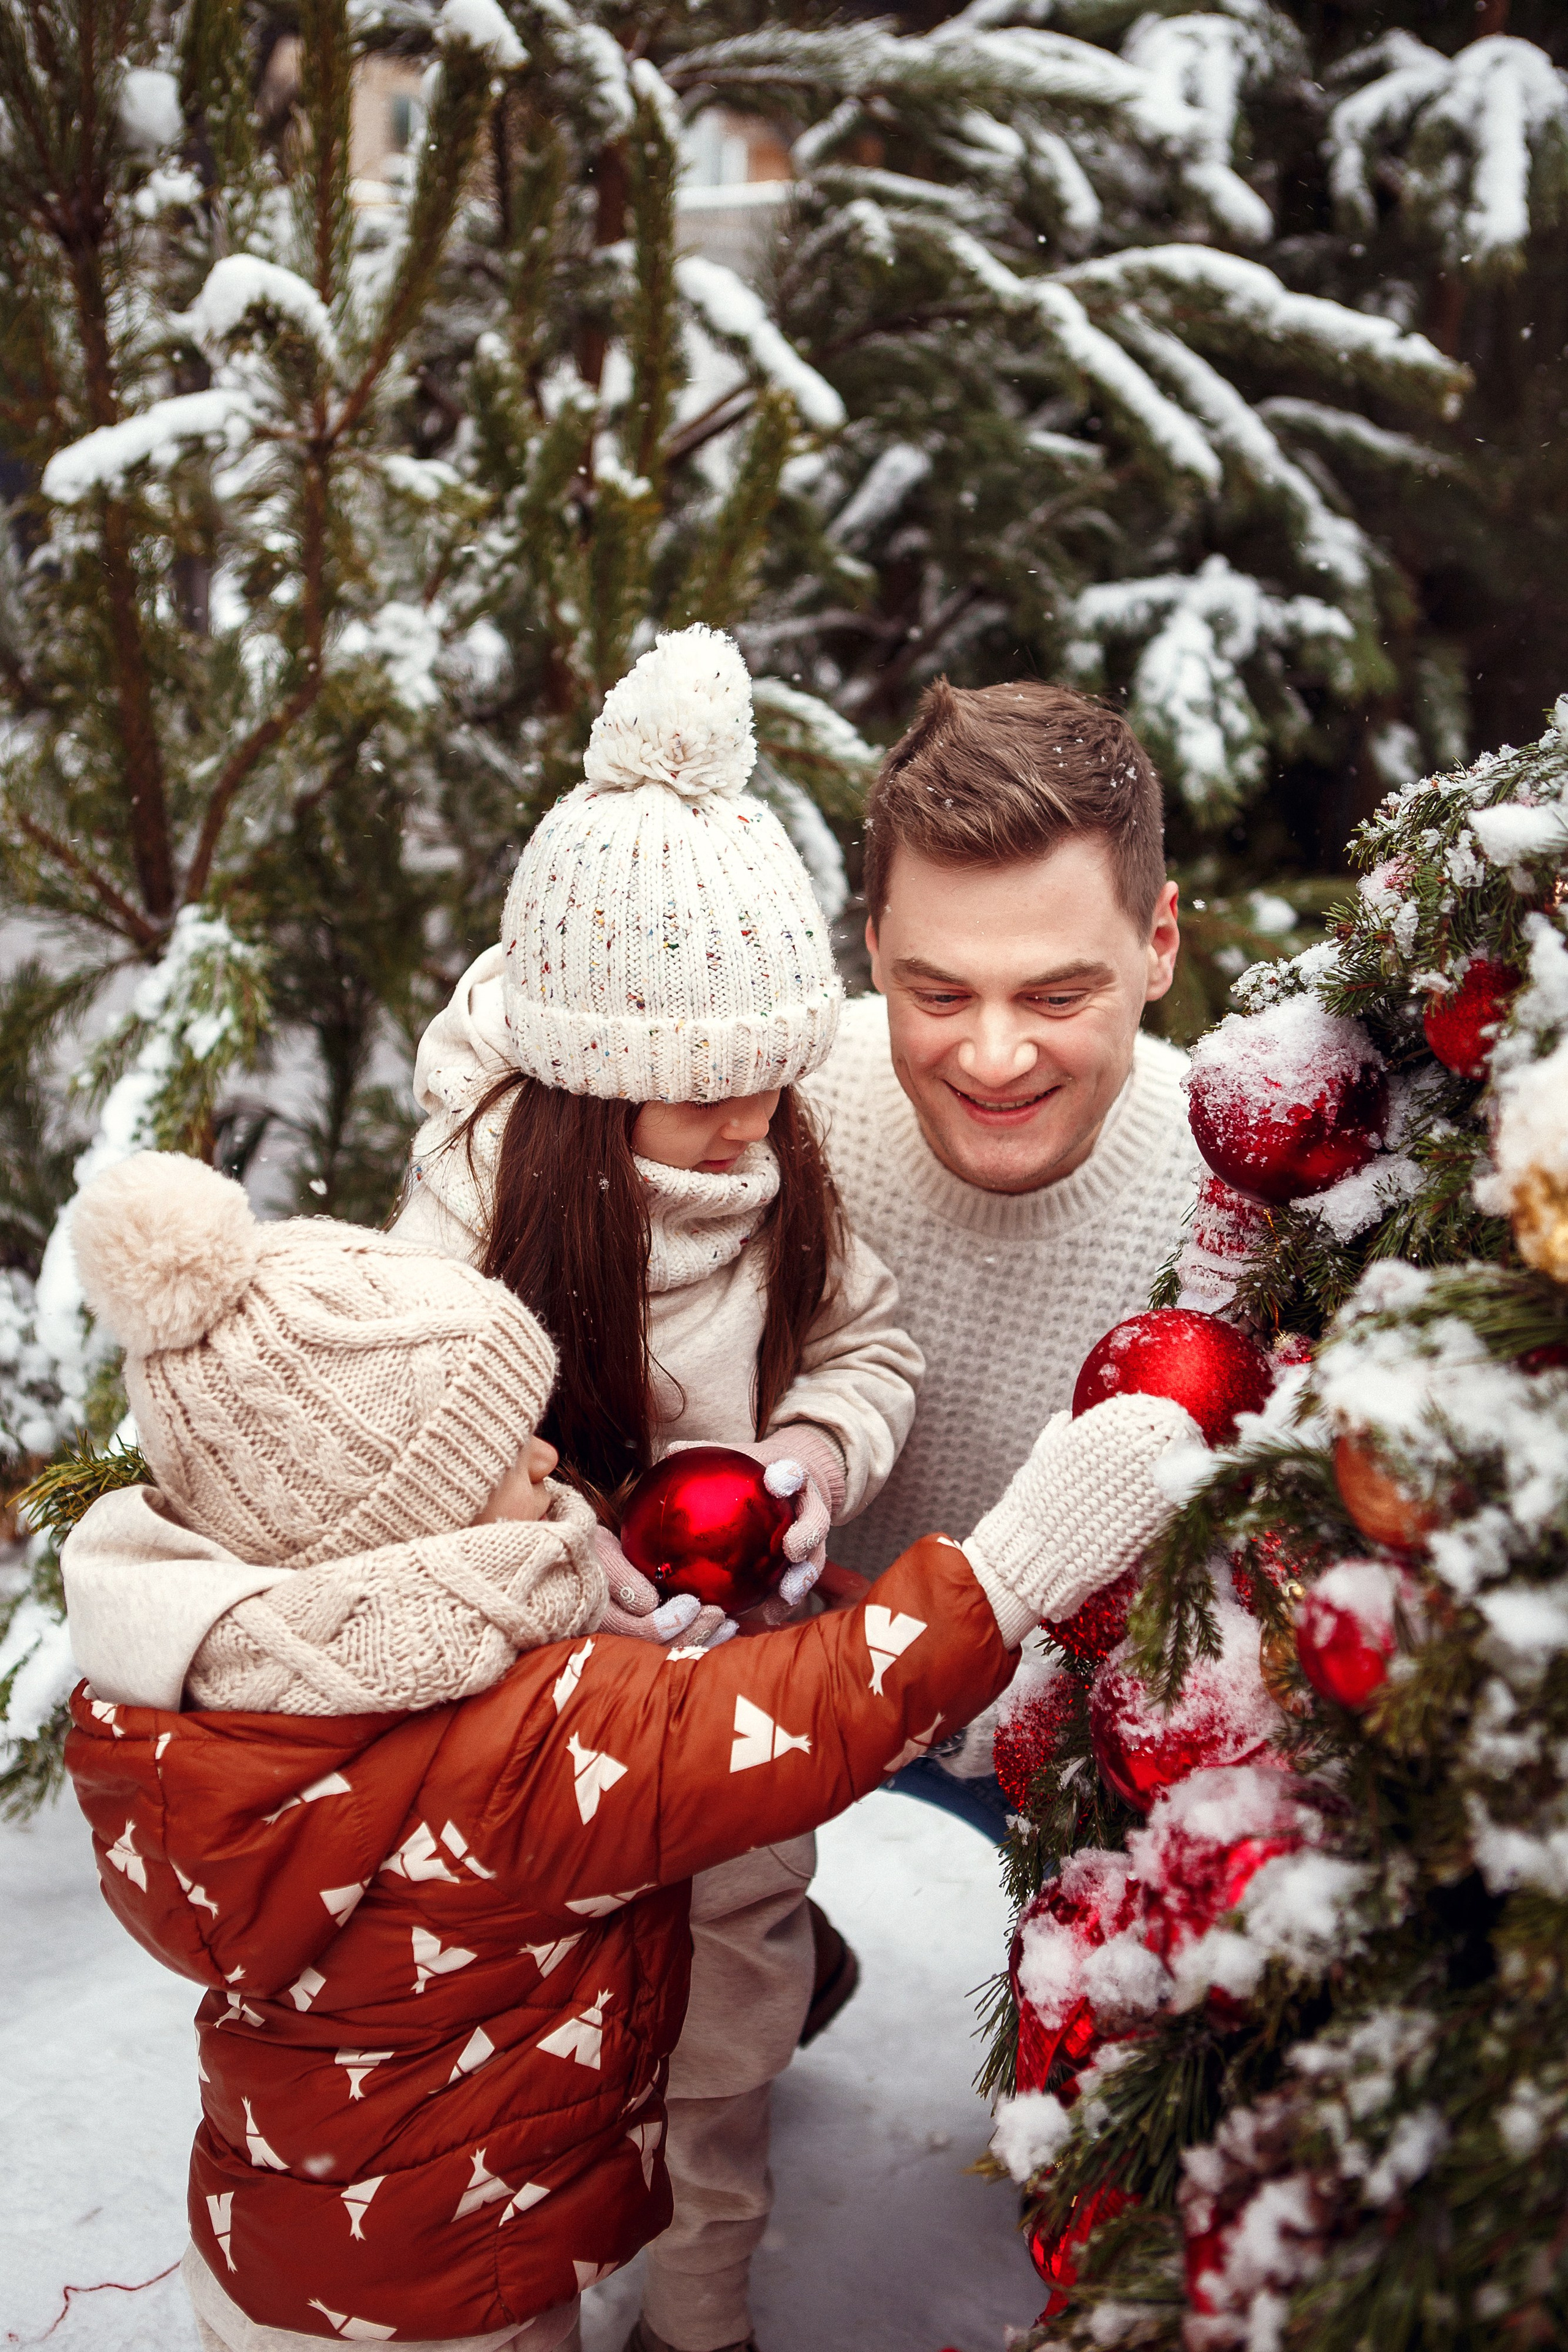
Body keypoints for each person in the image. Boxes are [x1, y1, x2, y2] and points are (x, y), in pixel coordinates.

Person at [58, 1149, 1197, 2352]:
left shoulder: (213, 1697)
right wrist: (1014, 1563)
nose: (549, 1463)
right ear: (402, 1533)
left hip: (272, 2249)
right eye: (505, 1457)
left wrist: (543, 1576)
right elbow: (802, 1714)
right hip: (462, 2292)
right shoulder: (513, 1749)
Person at [393, 625, 925, 2352]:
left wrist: (816, 1451)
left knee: (731, 2010)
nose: (752, 1115)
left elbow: (869, 1352)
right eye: (704, 1088)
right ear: (587, 1077)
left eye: (771, 1070)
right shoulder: (483, 1215)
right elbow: (423, 1451)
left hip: (737, 1689)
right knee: (557, 2031)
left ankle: (704, 2305)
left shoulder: (784, 1184)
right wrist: (559, 1542)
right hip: (549, 1719)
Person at [802, 678, 1204, 1830]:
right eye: (938, 991)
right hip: (739, 1715)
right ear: (875, 951)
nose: (991, 1054)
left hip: (1056, 1784)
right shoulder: (769, 1108)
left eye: (1056, 992)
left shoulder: (1241, 1204)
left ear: (1159, 945)